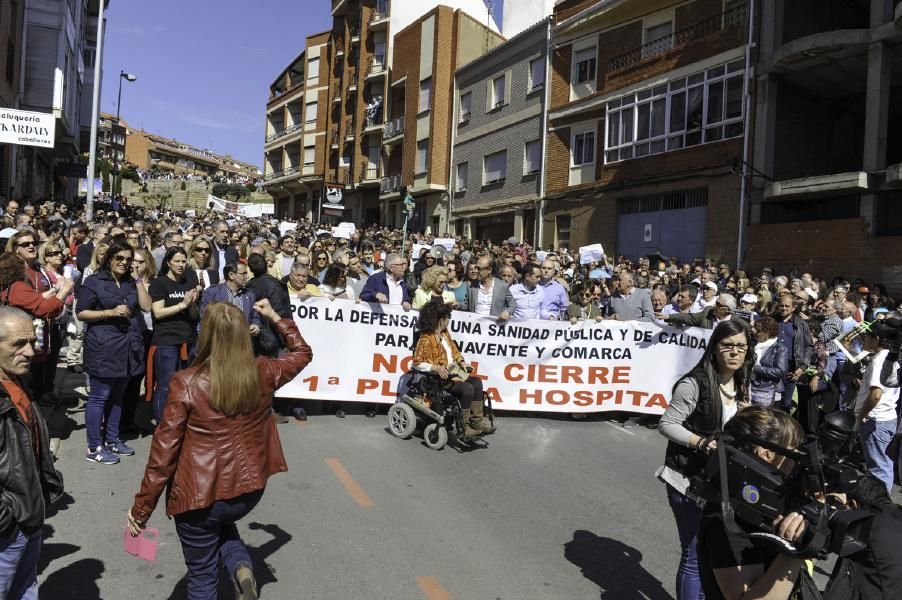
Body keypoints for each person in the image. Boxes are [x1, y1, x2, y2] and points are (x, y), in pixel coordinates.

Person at [128, 299, 313, 599]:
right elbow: (303, 353)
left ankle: (238, 566)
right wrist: (276, 317)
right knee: (223, 522)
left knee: (201, 574)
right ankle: (241, 567)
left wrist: (141, 510)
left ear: (206, 335)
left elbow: (163, 455)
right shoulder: (264, 371)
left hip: (200, 495)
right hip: (248, 489)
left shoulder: (186, 383)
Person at [657, 320, 754, 600]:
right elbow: (667, 424)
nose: (734, 352)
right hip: (687, 480)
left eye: (741, 347)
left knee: (712, 553)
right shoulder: (694, 384)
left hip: (720, 481)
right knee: (694, 553)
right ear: (714, 348)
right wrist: (700, 443)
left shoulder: (741, 382)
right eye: (727, 346)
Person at [696, 406, 807, 600]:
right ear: (766, 454)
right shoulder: (727, 520)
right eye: (792, 450)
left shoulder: (764, 502)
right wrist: (792, 552)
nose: (797, 459)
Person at [0, 306, 64, 598]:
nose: (30, 352)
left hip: (29, 517)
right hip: (10, 528)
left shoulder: (15, 381)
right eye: (18, 344)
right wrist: (8, 519)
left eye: (31, 341)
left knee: (26, 590)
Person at [77, 242, 151, 464]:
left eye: (128, 259)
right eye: (119, 257)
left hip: (128, 346)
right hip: (103, 345)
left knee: (118, 397)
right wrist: (109, 312)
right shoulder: (94, 282)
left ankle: (111, 439)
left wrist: (138, 280)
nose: (124, 262)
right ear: (109, 258)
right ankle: (94, 447)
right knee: (100, 397)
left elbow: (147, 306)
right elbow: (81, 313)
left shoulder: (131, 282)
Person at [412, 302, 494, 437]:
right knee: (467, 388)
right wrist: (435, 367)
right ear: (441, 320)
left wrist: (462, 362)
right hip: (440, 379)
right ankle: (464, 428)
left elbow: (454, 351)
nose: (449, 320)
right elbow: (417, 363)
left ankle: (477, 421)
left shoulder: (444, 333)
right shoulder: (426, 338)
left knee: (477, 383)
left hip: (453, 372)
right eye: (448, 317)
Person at [147, 247, 202, 423]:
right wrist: (183, 304)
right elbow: (158, 312)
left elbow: (193, 315)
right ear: (168, 262)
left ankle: (179, 421)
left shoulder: (188, 282)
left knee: (184, 385)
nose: (181, 264)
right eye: (177, 261)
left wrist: (192, 304)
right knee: (165, 385)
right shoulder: (159, 283)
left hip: (187, 338)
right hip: (166, 340)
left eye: (183, 261)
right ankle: (163, 425)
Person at [853, 322, 900, 493]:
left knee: (879, 469)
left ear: (876, 339)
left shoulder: (880, 360)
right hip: (886, 419)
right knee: (883, 465)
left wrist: (861, 415)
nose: (864, 339)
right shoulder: (892, 357)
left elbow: (876, 394)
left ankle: (880, 507)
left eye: (867, 336)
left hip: (876, 422)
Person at [774, 292, 814, 412]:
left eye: (787, 306)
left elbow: (809, 347)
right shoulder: (771, 321)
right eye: (781, 305)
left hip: (790, 369)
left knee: (785, 404)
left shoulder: (801, 324)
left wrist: (802, 367)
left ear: (793, 307)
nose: (783, 308)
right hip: (772, 368)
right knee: (770, 403)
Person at [199, 262, 260, 337]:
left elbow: (255, 316)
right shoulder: (213, 293)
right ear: (231, 275)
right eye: (243, 274)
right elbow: (205, 317)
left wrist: (255, 325)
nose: (247, 277)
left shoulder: (250, 295)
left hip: (242, 341)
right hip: (219, 340)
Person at [748, 316, 789, 407]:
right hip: (751, 389)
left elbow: (780, 371)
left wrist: (755, 370)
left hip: (770, 391)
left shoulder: (780, 349)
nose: (755, 333)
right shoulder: (753, 345)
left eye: (758, 331)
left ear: (768, 332)